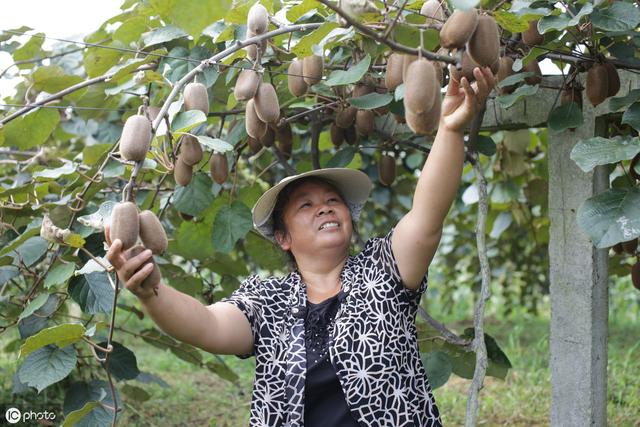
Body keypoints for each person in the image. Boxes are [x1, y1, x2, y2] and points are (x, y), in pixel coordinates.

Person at [105, 66, 496, 426]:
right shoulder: (266, 300)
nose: (324, 207)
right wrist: (151, 291)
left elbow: (426, 216)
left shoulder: (383, 270)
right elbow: (206, 325)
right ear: (284, 238)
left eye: (332, 200)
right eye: (306, 205)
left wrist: (449, 130)